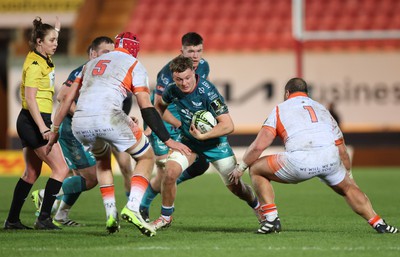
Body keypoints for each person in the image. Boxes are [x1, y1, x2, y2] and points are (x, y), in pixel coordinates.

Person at [46, 32, 190, 237]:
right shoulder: (134, 64)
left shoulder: (89, 64)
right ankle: (133, 206)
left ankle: (110, 213)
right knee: (146, 157)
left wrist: (54, 130)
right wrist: (168, 140)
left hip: (80, 122)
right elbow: (146, 106)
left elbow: (67, 98)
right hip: (108, 117)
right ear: (135, 50)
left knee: (102, 162)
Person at [229, 77, 398, 234]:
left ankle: (272, 219)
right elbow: (342, 150)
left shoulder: (280, 109)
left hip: (300, 162)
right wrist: (348, 174)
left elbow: (259, 146)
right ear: (307, 93)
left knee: (256, 168)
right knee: (348, 188)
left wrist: (241, 167)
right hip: (329, 159)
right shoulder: (322, 109)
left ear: (287, 93)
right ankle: (378, 223)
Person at [31, 36, 135, 227]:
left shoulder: (106, 74)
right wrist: (82, 113)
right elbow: (63, 96)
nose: (110, 56)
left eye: (113, 52)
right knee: (91, 178)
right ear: (93, 54)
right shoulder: (83, 70)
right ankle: (45, 194)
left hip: (88, 130)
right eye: (106, 52)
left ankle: (61, 215)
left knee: (83, 176)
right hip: (73, 131)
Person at [151, 55, 259, 230]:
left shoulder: (208, 92)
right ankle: (165, 217)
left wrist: (202, 136)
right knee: (169, 174)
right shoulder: (172, 90)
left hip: (216, 146)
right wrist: (177, 123)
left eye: (187, 78)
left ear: (194, 71)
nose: (184, 83)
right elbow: (159, 106)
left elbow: (228, 125)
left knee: (237, 188)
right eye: (179, 79)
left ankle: (257, 206)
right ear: (173, 77)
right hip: (188, 143)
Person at [3, 17, 69, 230]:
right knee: (61, 168)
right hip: (34, 121)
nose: (56, 43)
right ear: (39, 41)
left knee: (31, 173)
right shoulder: (34, 64)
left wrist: (55, 29)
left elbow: (49, 37)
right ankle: (44, 219)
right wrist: (43, 128)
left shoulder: (43, 57)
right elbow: (30, 99)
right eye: (52, 40)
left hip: (32, 120)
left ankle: (12, 220)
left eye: (56, 39)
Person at [140, 32, 211, 221]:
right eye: (190, 51)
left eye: (199, 51)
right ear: (182, 51)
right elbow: (157, 106)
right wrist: (176, 124)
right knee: (165, 171)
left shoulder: (204, 66)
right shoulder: (167, 73)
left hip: (186, 122)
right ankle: (142, 206)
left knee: (202, 164)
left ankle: (161, 189)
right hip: (165, 122)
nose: (195, 56)